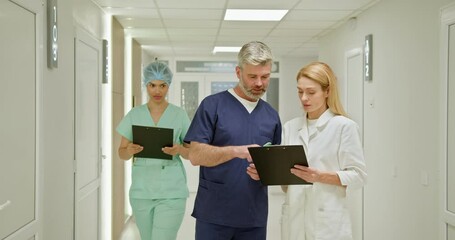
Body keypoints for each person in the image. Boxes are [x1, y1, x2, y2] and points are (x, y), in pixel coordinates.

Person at [247, 61, 367, 240]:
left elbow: (359, 176)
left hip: (328, 224)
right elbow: (286, 181)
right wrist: (266, 172)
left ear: (327, 92)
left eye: (311, 92)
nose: (304, 98)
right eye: (300, 91)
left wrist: (319, 177)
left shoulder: (344, 127)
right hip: (294, 219)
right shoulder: (290, 127)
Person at [183, 41, 282, 240]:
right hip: (214, 215)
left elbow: (275, 167)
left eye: (265, 76)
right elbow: (195, 155)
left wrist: (265, 173)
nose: (259, 83)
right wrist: (236, 151)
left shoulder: (271, 116)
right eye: (252, 76)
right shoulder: (212, 106)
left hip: (253, 218)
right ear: (238, 72)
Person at [116, 61, 190, 240]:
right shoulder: (134, 114)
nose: (157, 91)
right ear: (146, 85)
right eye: (152, 85)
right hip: (142, 191)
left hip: (172, 192)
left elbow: (191, 152)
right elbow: (121, 153)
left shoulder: (179, 115)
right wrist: (131, 150)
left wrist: (178, 149)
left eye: (162, 85)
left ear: (168, 86)